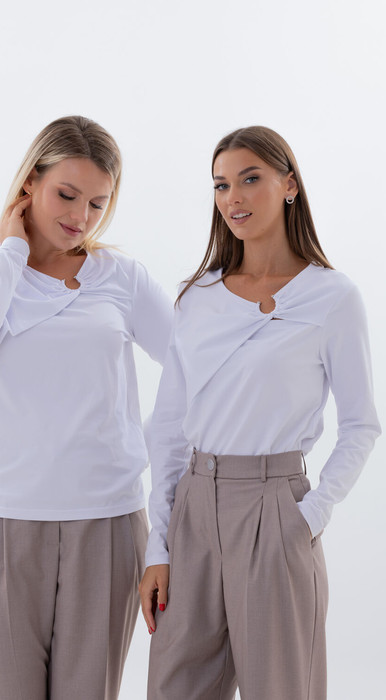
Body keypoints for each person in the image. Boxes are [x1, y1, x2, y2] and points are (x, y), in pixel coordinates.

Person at [0, 115, 172, 700]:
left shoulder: (122, 278)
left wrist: (141, 441)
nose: (81, 216)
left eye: (97, 203)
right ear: (29, 182)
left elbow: (198, 373)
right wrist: (13, 251)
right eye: (66, 194)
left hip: (106, 525)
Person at [139, 125, 381, 700]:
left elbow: (361, 425)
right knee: (174, 686)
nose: (233, 198)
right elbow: (167, 429)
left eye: (250, 179)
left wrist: (308, 517)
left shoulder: (332, 297)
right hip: (193, 509)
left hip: (276, 509)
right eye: (221, 185)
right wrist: (158, 546)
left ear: (289, 185)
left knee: (281, 687)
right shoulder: (197, 297)